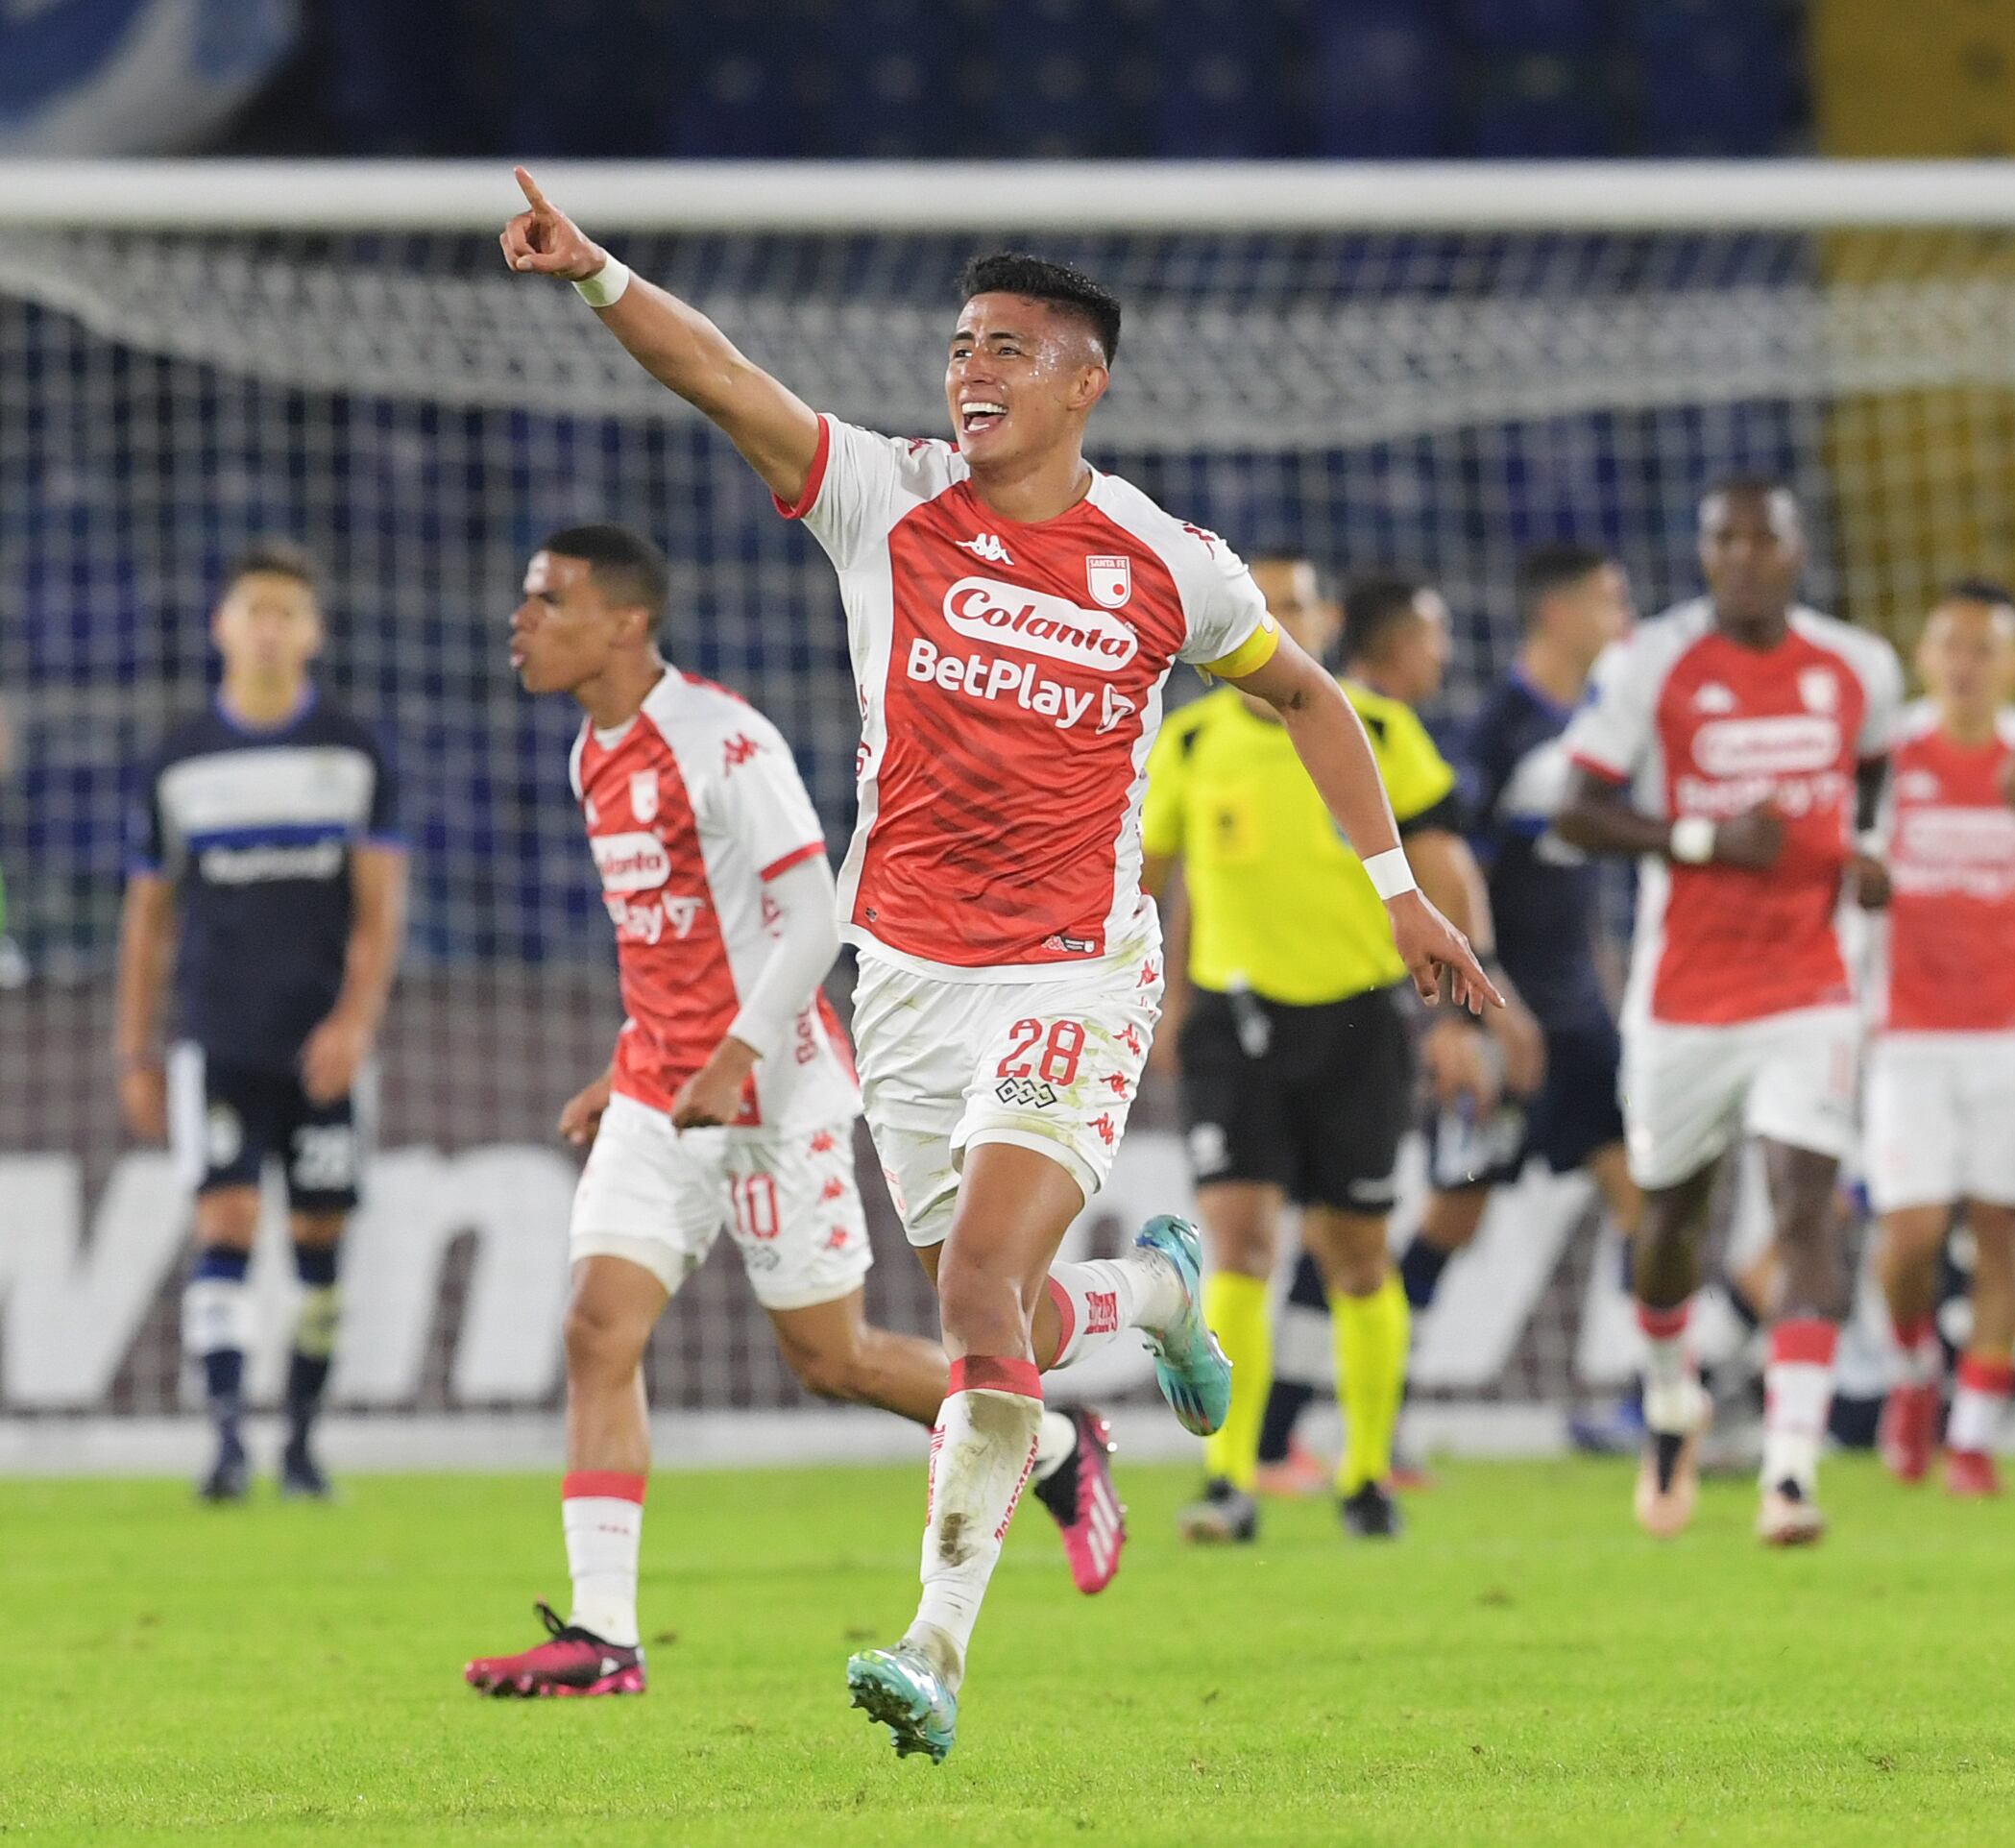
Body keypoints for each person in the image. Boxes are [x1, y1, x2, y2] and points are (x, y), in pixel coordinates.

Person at [501, 173, 1493, 1763]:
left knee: (969, 1295)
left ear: (1084, 380)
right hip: (901, 977)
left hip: (1075, 970)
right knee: (1014, 1311)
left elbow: (1308, 700)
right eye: (963, 342)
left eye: (1011, 347)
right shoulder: (883, 501)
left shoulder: (1169, 562)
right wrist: (594, 274)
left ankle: (936, 1645)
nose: (971, 370)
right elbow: (720, 377)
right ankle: (1161, 1288)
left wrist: (1396, 888)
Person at [462, 526, 1135, 1699]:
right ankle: (605, 1635)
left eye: (547, 598)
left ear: (624, 621)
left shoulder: (722, 741)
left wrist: (733, 1056)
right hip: (663, 1093)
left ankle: (1063, 1447)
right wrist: (634, 1059)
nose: (521, 620)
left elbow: (815, 918)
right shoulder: (591, 755)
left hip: (773, 1098)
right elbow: (667, 936)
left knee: (834, 1360)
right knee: (595, 1328)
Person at [1555, 477, 1905, 1546]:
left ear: (1799, 552)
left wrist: (1868, 855)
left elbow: (1876, 770)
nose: (1745, 555)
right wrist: (1703, 842)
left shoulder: (1860, 667)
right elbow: (1576, 811)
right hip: (1684, 998)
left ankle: (1790, 1472)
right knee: (1671, 1222)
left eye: (1765, 538)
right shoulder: (1651, 663)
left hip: (1809, 987)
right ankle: (1672, 1395)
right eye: (1724, 539)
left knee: (1807, 1208)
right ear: (1703, 553)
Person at [1148, 561, 1527, 1544]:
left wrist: (1461, 1009)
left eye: (1296, 604)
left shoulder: (1379, 730)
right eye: (1258, 601)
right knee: (1238, 1243)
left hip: (1359, 1024)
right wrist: (1153, 1002)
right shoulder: (1188, 742)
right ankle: (1229, 1479)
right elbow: (1147, 882)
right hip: (1236, 1027)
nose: (1276, 618)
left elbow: (1445, 858)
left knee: (1357, 1255)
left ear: (1319, 623)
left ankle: (1364, 1474)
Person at [113, 542, 406, 1504]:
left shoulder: (354, 752)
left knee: (321, 1241)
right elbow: (148, 918)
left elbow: (378, 909)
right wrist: (136, 1049)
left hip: (321, 1042)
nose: (271, 627)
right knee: (225, 1217)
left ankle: (305, 1443)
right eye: (254, 609)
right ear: (222, 626)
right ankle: (230, 1443)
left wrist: (356, 1021)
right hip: (217, 1035)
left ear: (314, 631)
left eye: (288, 611)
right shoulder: (181, 760)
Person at [1860, 581, 2015, 1498]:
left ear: (2014, 665)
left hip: (2013, 1034)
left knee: (2002, 1232)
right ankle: (1916, 1371)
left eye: (1984, 649)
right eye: (1949, 647)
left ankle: (1971, 1434)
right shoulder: (1888, 758)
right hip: (1907, 1032)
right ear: (1925, 658)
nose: (1964, 665)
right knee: (1912, 1233)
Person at [1411, 545, 1645, 1387]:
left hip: (1578, 1020)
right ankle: (1381, 1421)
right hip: (1504, 1020)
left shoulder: (1601, 726)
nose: (1624, 617)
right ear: (1558, 612)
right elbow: (1446, 880)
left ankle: (1657, 1406)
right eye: (1608, 598)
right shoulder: (1496, 732)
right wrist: (1464, 1017)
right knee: (1455, 1214)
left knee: (1645, 1203)